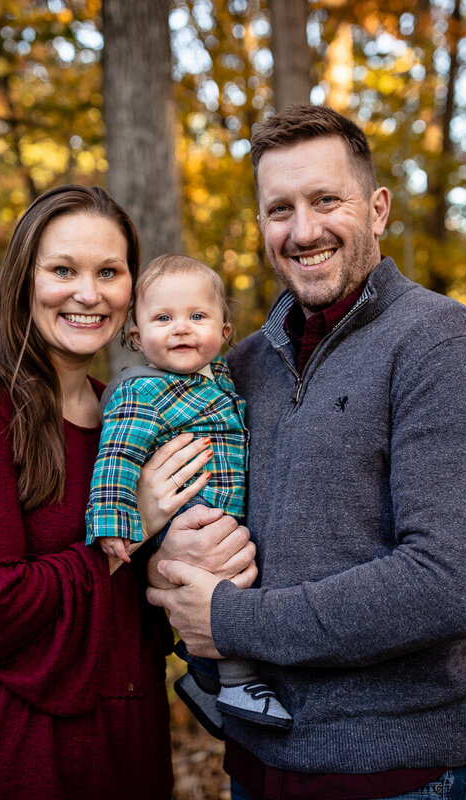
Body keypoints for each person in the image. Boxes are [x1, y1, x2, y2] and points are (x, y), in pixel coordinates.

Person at [146, 105, 466, 800]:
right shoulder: (243, 365)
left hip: (392, 776)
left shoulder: (442, 344)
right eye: (279, 209)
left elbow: (446, 584)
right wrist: (171, 562)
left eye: (326, 200)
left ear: (376, 209)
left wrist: (228, 619)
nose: (303, 229)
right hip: (254, 768)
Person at [0, 185, 255, 799]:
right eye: (63, 270)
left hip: (126, 740)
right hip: (12, 750)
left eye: (109, 272)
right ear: (23, 279)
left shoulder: (131, 413)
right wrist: (127, 528)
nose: (88, 294)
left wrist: (197, 567)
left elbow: (137, 602)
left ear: (132, 294)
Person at [85, 253, 292, 732]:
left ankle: (204, 680)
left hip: (222, 509)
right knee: (225, 584)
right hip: (190, 519)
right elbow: (117, 457)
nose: (181, 328)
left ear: (223, 333)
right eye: (163, 318)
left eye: (197, 316)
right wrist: (115, 521)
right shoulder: (143, 393)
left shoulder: (219, 380)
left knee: (238, 578)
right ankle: (238, 685)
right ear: (136, 336)